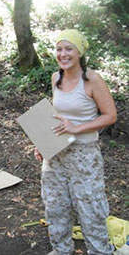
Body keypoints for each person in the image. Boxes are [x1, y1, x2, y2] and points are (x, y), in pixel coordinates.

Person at [34, 29, 117, 255]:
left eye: (69, 48)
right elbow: (55, 116)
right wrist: (42, 142)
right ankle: (61, 250)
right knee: (55, 207)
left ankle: (100, 251)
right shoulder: (55, 78)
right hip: (57, 153)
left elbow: (110, 115)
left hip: (84, 153)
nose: (63, 54)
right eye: (59, 49)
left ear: (79, 52)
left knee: (91, 209)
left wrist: (77, 128)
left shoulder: (92, 80)